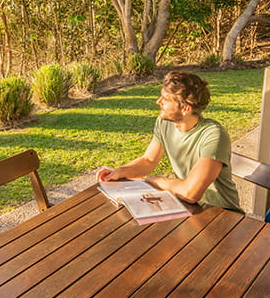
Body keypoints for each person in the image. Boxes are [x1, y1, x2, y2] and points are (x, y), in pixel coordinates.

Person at [97, 70, 242, 212]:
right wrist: (119, 172)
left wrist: (159, 181)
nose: (158, 101)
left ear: (185, 108)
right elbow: (148, 160)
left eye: (165, 99)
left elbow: (190, 193)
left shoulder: (213, 135)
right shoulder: (164, 123)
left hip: (222, 214)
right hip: (187, 208)